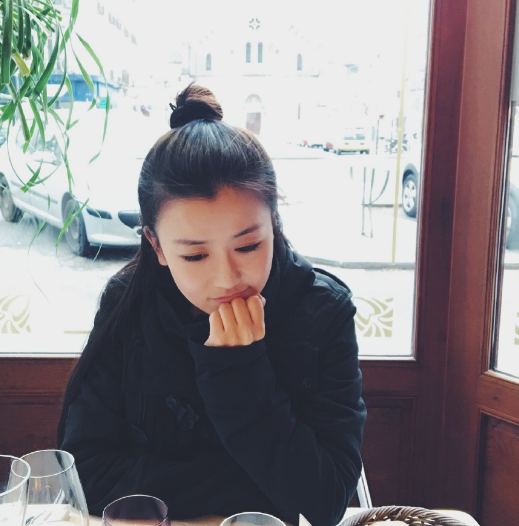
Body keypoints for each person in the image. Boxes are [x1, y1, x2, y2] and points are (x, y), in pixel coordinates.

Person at [57, 84, 366, 526]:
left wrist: (237, 371)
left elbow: (324, 500)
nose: (226, 279)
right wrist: (254, 487)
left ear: (273, 225)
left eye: (248, 246)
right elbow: (85, 473)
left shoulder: (323, 312)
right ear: (157, 247)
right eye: (195, 255)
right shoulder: (129, 304)